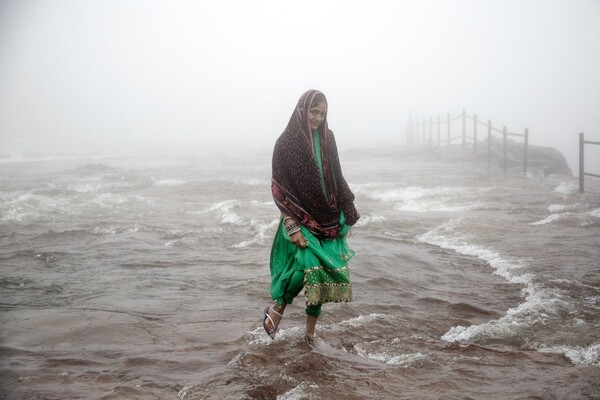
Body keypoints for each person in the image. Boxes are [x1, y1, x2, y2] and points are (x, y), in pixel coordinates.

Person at [263, 89, 360, 345]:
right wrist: (291, 224)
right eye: (313, 111)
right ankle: (279, 308)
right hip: (297, 216)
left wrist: (347, 211)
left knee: (318, 275)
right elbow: (278, 187)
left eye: (322, 113)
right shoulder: (285, 143)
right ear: (301, 110)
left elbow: (337, 177)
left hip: (327, 216)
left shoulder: (329, 137)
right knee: (309, 265)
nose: (317, 118)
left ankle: (308, 334)